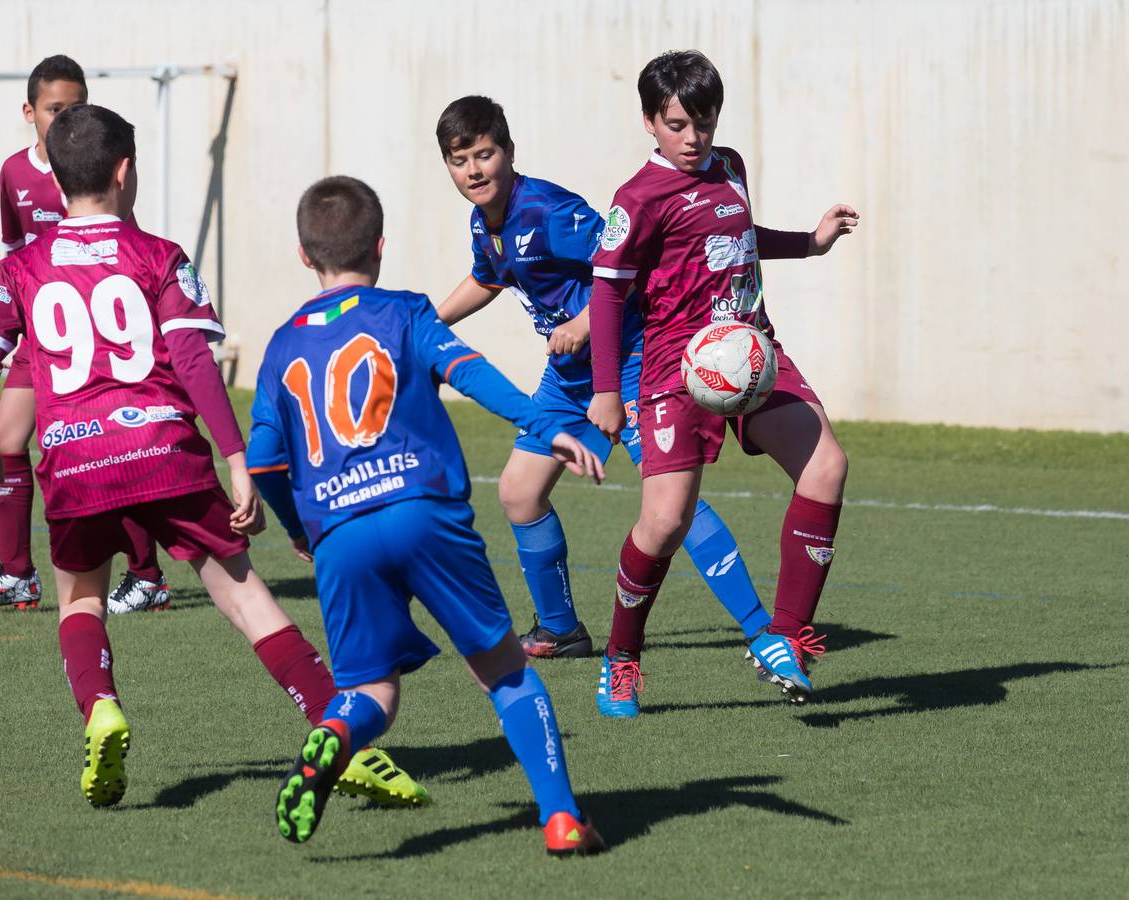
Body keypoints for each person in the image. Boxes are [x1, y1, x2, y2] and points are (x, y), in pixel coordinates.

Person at [0, 104, 426, 810]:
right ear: (124, 171)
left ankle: (102, 708)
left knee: (80, 597)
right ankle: (339, 729)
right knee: (241, 591)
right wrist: (235, 459)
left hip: (74, 461)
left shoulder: (23, 263)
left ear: (51, 179)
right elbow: (192, 361)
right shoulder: (158, 255)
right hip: (163, 450)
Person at [249, 175, 606, 855]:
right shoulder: (406, 311)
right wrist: (544, 424)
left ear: (303, 254)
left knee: (367, 688)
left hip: (340, 533)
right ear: (380, 246)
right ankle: (560, 820)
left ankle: (333, 736)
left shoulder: (280, 347)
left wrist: (298, 529)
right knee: (504, 672)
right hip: (423, 511)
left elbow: (263, 460)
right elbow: (469, 371)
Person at [434, 95, 773, 667]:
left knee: (671, 506)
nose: (473, 170)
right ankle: (562, 630)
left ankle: (764, 630)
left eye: (485, 154)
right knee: (519, 492)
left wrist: (584, 321)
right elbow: (487, 278)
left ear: (509, 152)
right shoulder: (484, 222)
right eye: (460, 159)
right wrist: (425, 324)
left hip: (633, 362)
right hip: (569, 378)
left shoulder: (547, 209)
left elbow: (625, 265)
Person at [586, 50, 859, 712]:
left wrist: (808, 242)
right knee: (664, 522)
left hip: (751, 353)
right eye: (677, 124)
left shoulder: (728, 165)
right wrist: (603, 389)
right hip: (678, 371)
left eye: (702, 122)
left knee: (826, 467)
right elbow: (606, 291)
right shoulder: (638, 199)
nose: (692, 138)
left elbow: (735, 237)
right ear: (650, 121)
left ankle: (785, 640)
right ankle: (621, 658)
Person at [0, 55, 169, 616]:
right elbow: (14, 250)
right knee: (7, 438)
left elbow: (124, 235)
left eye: (76, 106)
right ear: (30, 112)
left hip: (93, 327)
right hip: (39, 322)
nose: (66, 117)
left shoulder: (93, 167)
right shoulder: (13, 173)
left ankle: (147, 576)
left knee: (103, 440)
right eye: (54, 109)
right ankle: (18, 574)